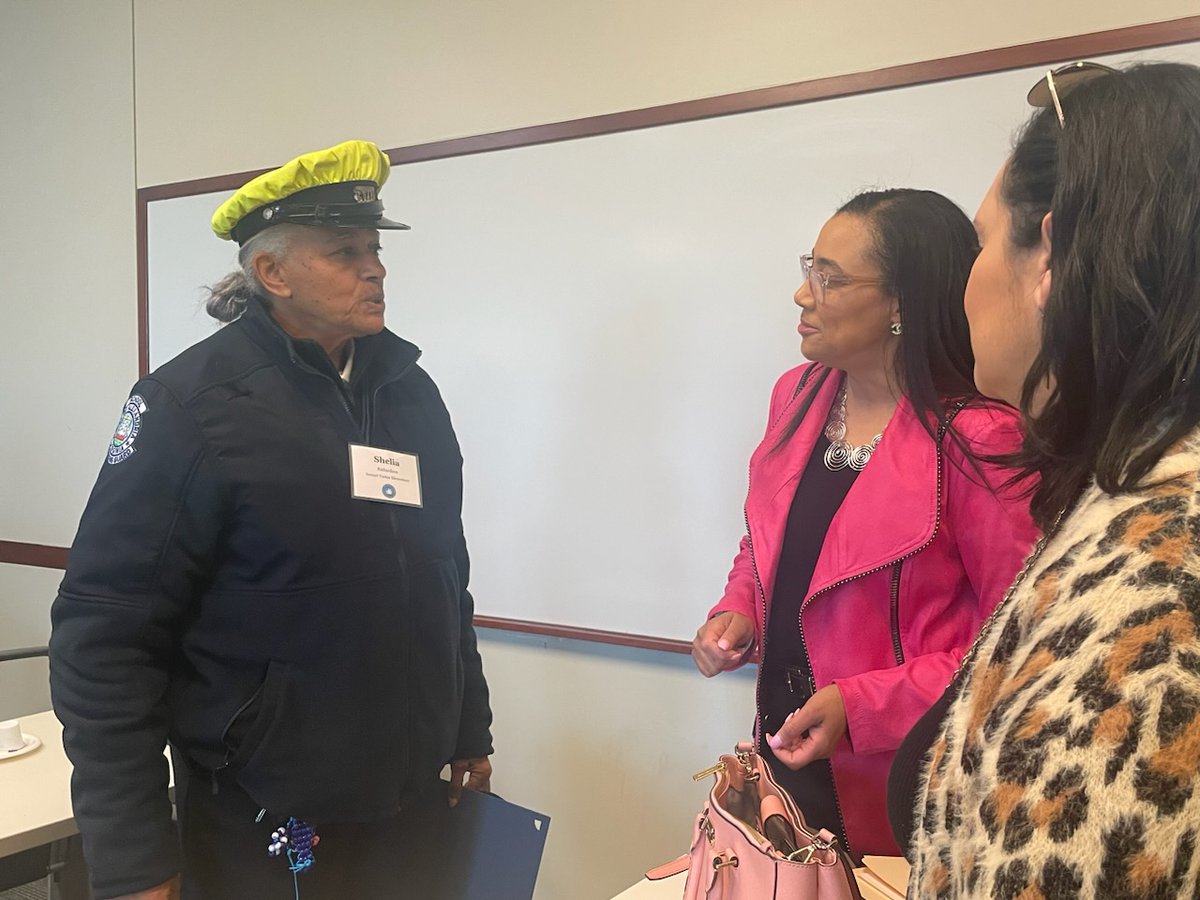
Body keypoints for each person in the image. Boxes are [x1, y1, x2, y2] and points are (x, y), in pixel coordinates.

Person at [49, 140, 494, 900]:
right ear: (273, 274)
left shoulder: (409, 391)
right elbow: (104, 635)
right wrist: (132, 858)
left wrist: (467, 729)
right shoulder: (190, 406)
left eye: (374, 247)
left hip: (410, 803)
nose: (375, 267)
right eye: (344, 251)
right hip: (263, 820)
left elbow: (441, 574)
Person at [901, 62, 1200, 898]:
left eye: (983, 240)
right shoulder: (1127, 500)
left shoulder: (1153, 592)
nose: (967, 281)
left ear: (1053, 257)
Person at [691, 188, 1038, 859]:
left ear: (902, 302)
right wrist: (739, 610)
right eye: (807, 268)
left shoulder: (979, 440)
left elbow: (1022, 646)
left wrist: (863, 704)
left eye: (830, 277)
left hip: (907, 779)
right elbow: (767, 541)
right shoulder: (797, 396)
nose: (803, 294)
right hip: (785, 759)